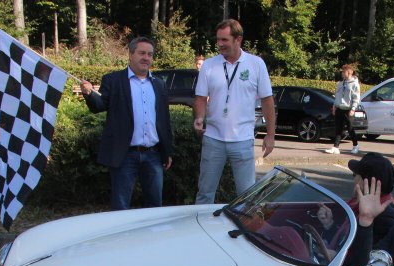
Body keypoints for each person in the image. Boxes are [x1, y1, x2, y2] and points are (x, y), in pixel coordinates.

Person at [81, 37, 173, 210]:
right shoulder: (113, 80)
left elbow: (164, 120)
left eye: (150, 54)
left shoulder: (159, 84)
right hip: (125, 155)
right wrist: (89, 94)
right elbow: (99, 106)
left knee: (155, 207)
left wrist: (167, 151)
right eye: (142, 53)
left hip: (153, 155)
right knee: (120, 207)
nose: (146, 58)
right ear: (131, 55)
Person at [193, 19, 276, 205]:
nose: (220, 44)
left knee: (247, 196)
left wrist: (270, 135)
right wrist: (199, 117)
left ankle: (244, 224)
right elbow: (200, 98)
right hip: (213, 138)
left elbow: (267, 100)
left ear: (238, 39)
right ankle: (200, 223)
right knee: (205, 193)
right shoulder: (209, 65)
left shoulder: (256, 64)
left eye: (224, 40)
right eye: (218, 40)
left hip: (243, 139)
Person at [346, 152, 394, 244]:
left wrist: (366, 220)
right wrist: (329, 224)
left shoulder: (386, 218)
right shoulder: (357, 205)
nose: (354, 179)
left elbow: (367, 251)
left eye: (355, 175)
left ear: (363, 182)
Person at [325, 64, 361, 155]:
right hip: (339, 108)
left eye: (344, 72)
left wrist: (353, 109)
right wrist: (334, 106)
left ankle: (355, 145)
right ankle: (335, 147)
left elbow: (356, 98)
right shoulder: (340, 83)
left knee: (350, 128)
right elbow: (337, 95)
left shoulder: (355, 84)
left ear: (349, 72)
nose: (342, 73)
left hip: (348, 109)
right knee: (338, 129)